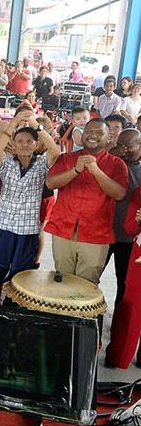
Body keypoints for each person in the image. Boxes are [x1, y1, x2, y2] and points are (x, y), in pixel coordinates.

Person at [0, 107, 60, 304]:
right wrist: (15, 122)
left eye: (29, 141)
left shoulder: (41, 163)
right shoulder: (7, 162)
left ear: (36, 144)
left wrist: (35, 124)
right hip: (4, 224)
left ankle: (13, 302)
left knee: (21, 269)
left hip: (28, 227)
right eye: (20, 141)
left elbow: (55, 150)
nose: (24, 145)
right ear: (13, 144)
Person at [45, 118, 128, 284]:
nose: (92, 136)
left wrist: (96, 171)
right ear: (82, 136)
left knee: (87, 285)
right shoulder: (66, 158)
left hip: (96, 233)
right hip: (63, 228)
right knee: (61, 280)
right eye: (89, 131)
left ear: (108, 138)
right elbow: (50, 183)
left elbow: (119, 194)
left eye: (99, 133)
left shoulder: (117, 164)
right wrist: (75, 170)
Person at [104, 128, 141, 307]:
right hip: (104, 232)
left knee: (123, 283)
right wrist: (110, 158)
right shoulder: (111, 161)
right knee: (90, 277)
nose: (123, 149)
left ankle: (119, 319)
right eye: (120, 145)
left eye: (127, 146)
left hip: (128, 238)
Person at [105, 189, 141, 369]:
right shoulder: (139, 193)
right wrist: (138, 221)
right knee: (131, 307)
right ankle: (118, 356)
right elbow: (129, 228)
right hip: (138, 259)